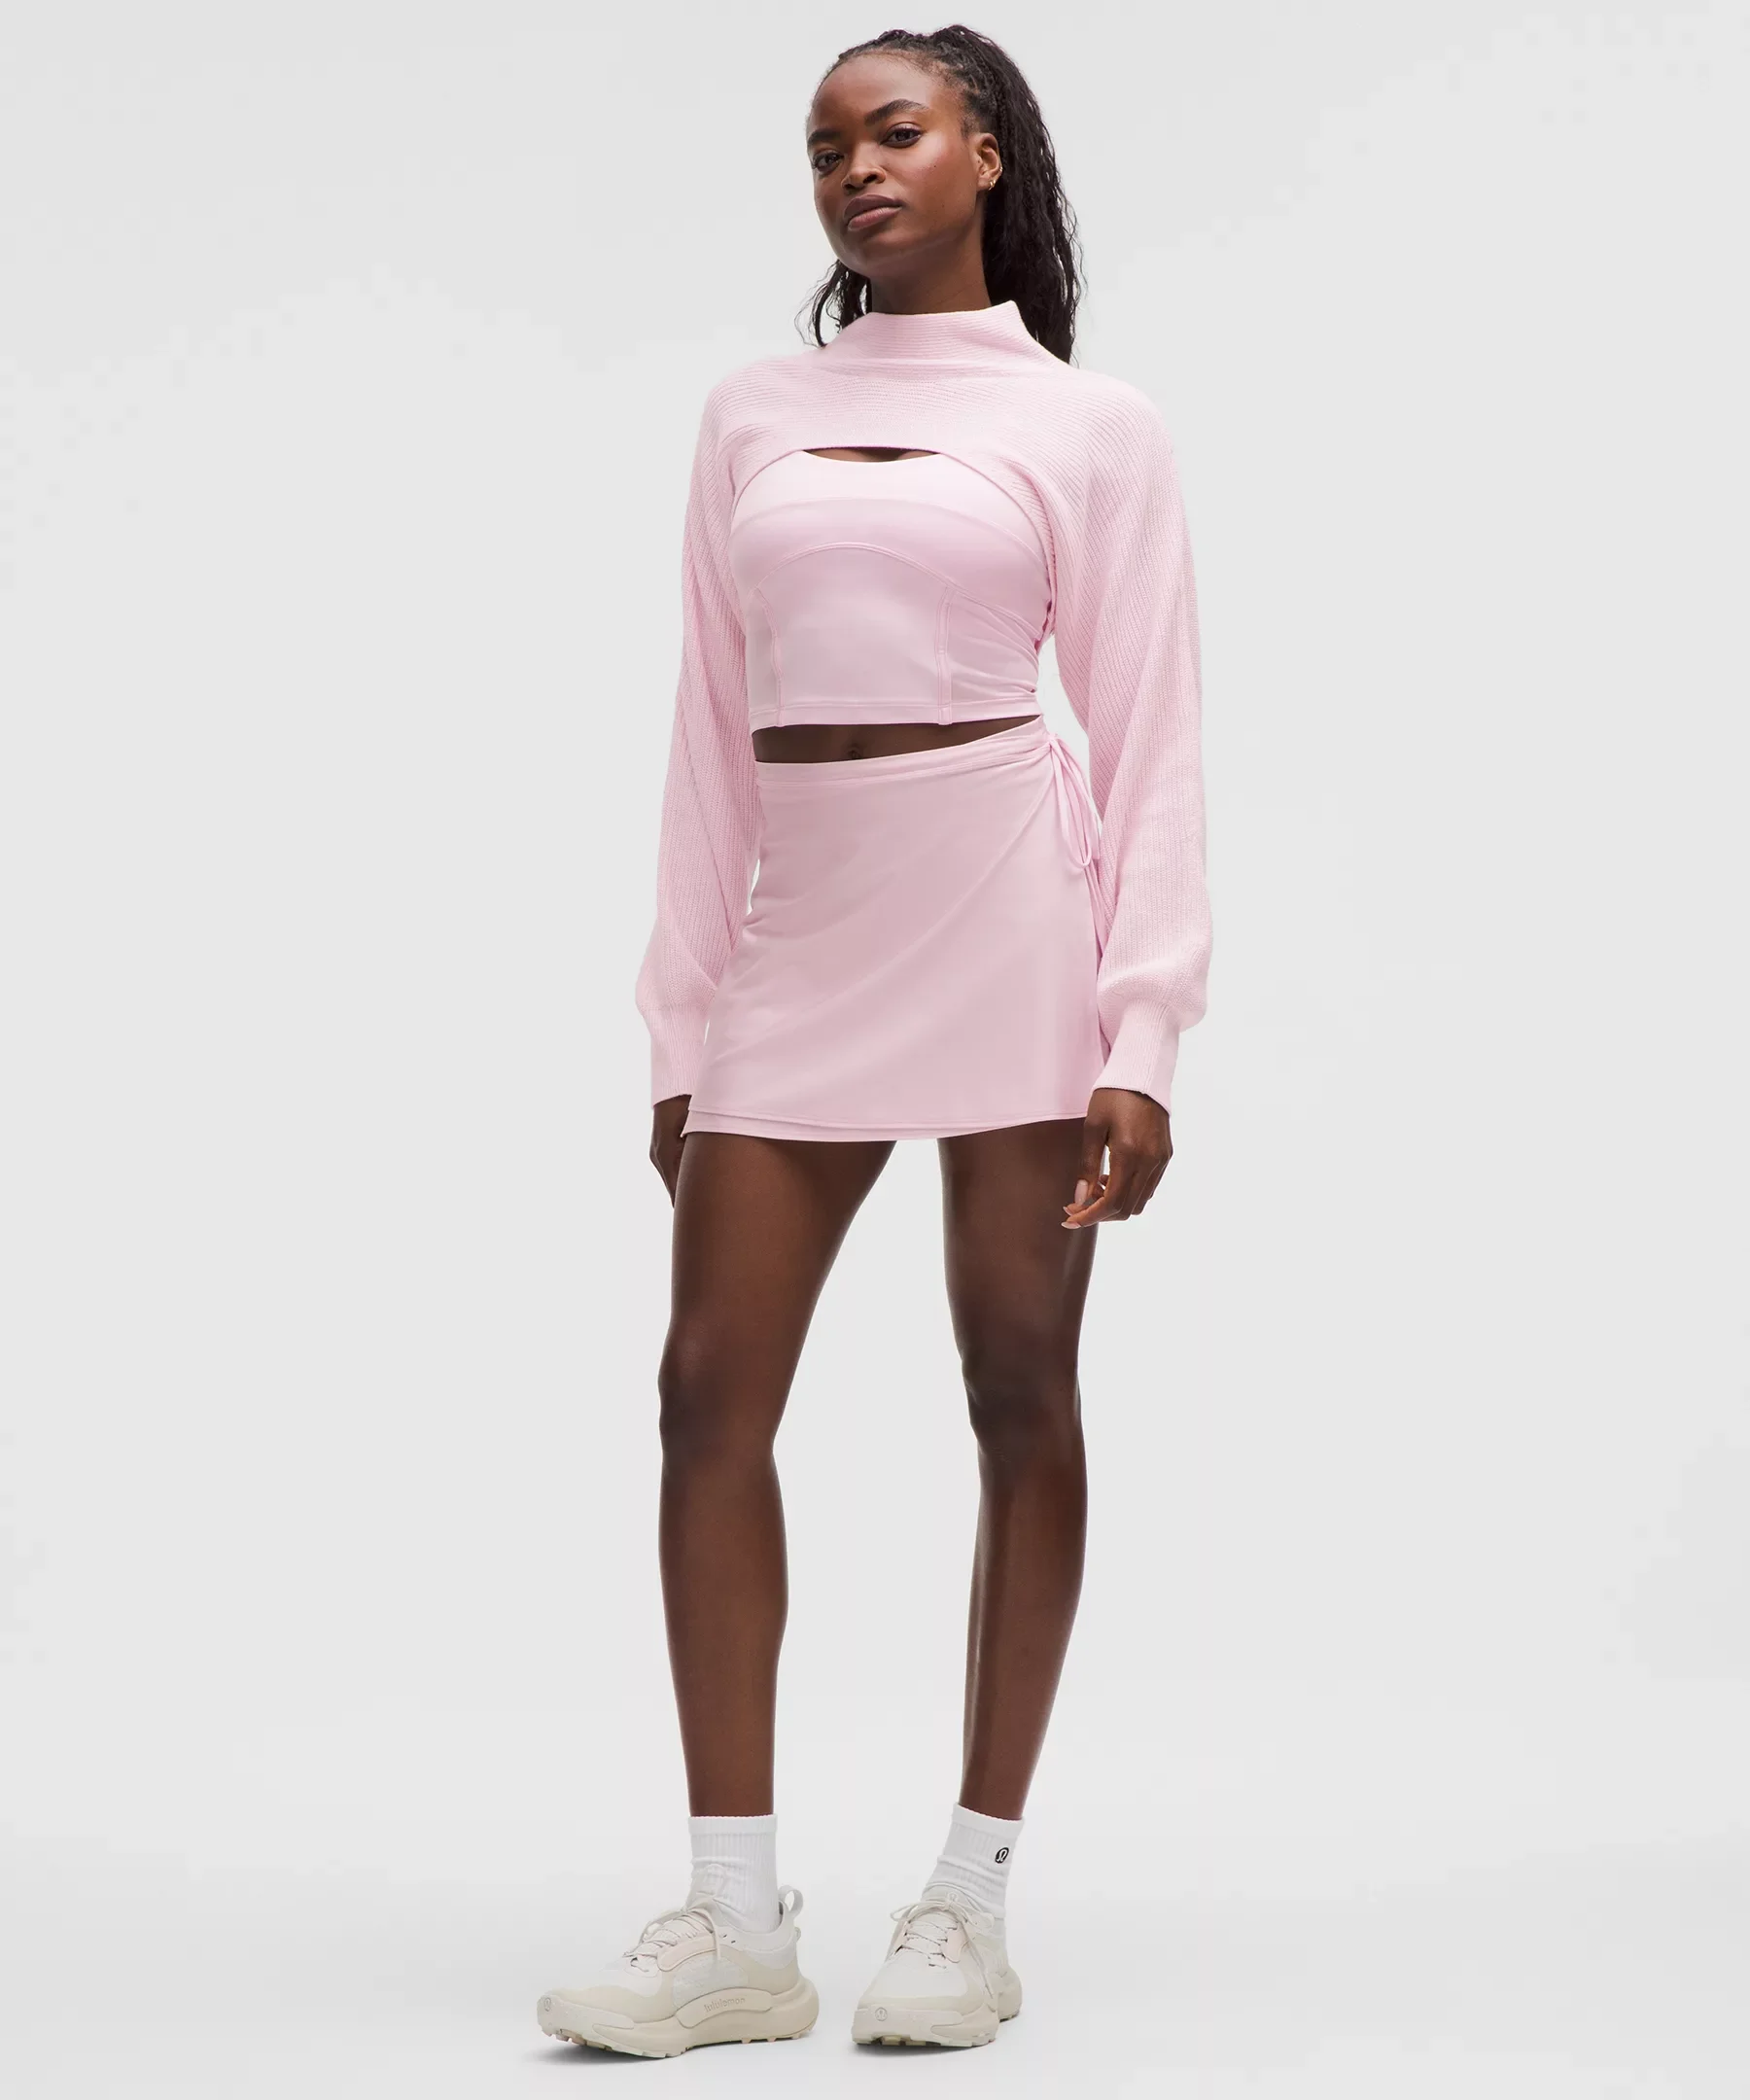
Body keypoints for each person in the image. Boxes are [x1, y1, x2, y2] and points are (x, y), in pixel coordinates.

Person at [537, 22, 1210, 2058]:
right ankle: (735, 1920)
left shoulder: (1091, 426)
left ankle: (969, 1901)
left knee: (1017, 1383)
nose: (854, 169)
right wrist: (683, 1013)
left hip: (1008, 914)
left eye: (895, 130)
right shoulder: (752, 413)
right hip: (800, 939)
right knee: (704, 1394)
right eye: (825, 145)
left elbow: (1151, 732)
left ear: (984, 152)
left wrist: (1144, 1031)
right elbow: (703, 724)